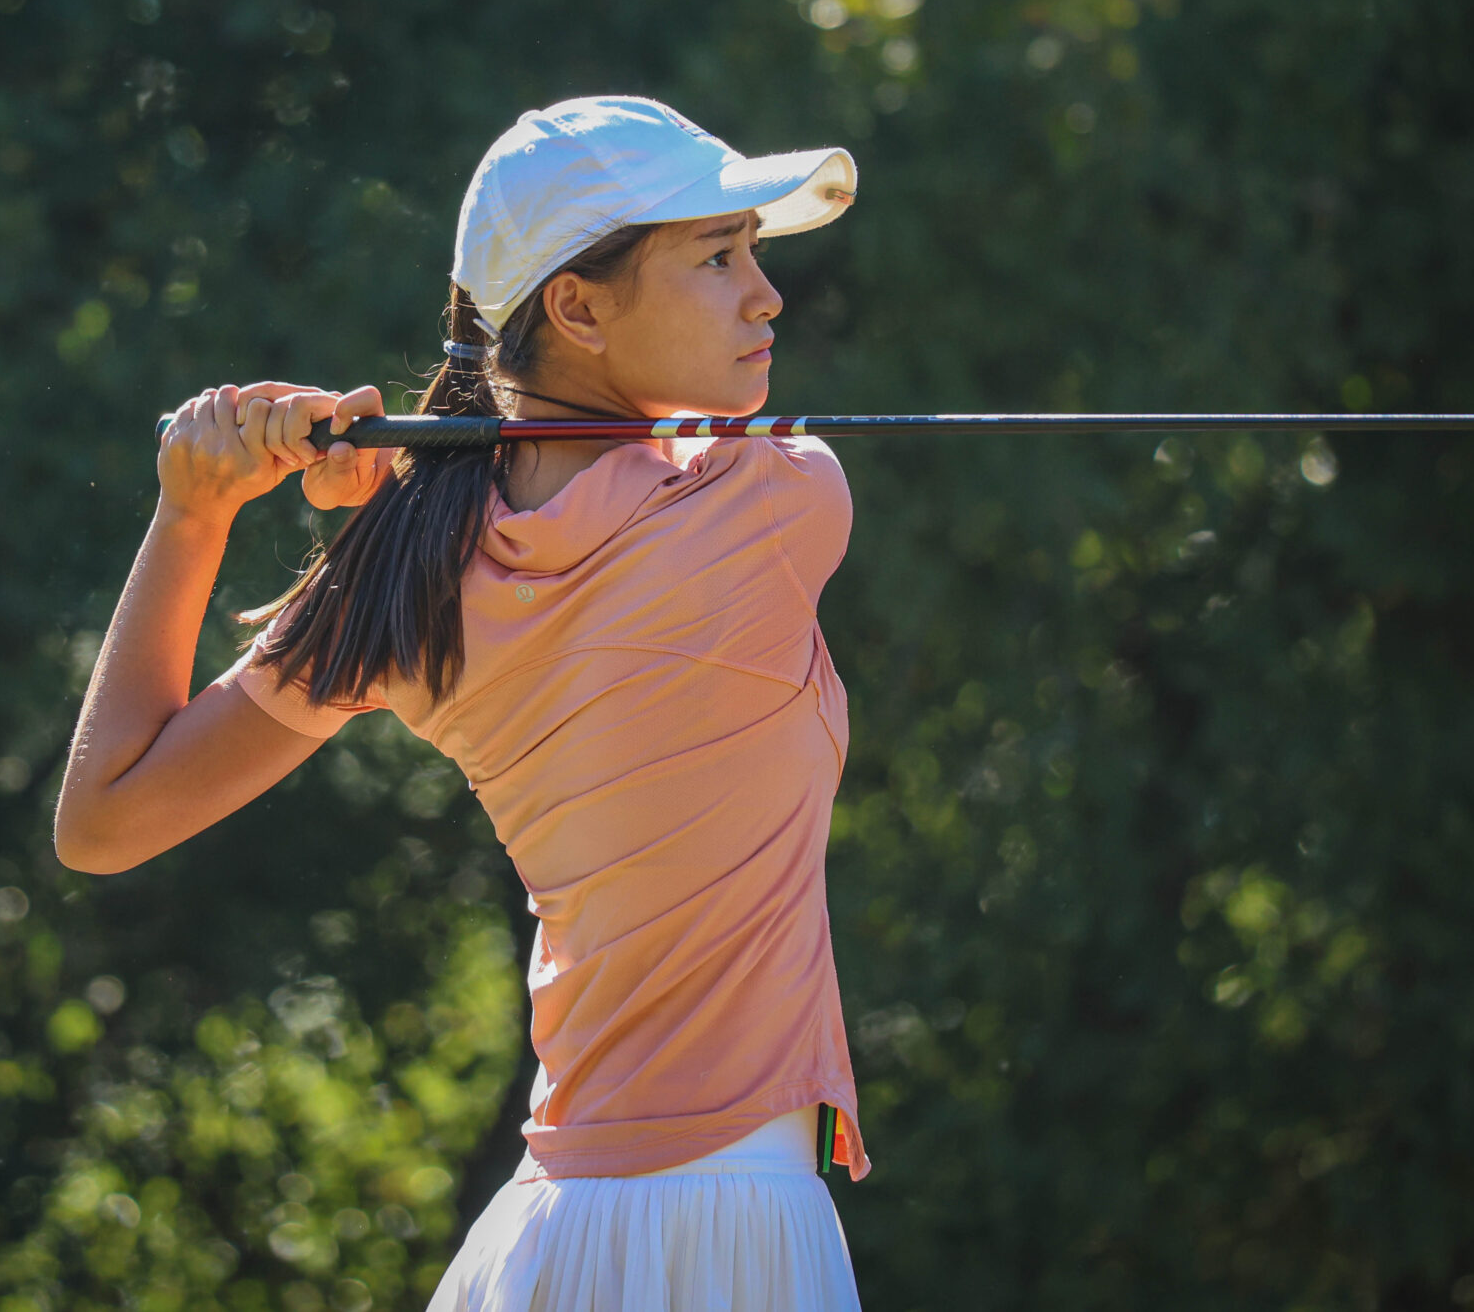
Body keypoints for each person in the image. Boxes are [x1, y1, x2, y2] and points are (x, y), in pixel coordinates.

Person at [55, 96, 868, 1310]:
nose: (766, 296)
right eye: (716, 257)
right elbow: (638, 484)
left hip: (553, 1232)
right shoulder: (777, 501)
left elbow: (103, 818)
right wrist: (397, 473)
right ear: (576, 308)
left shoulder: (409, 568)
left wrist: (198, 510)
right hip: (734, 1225)